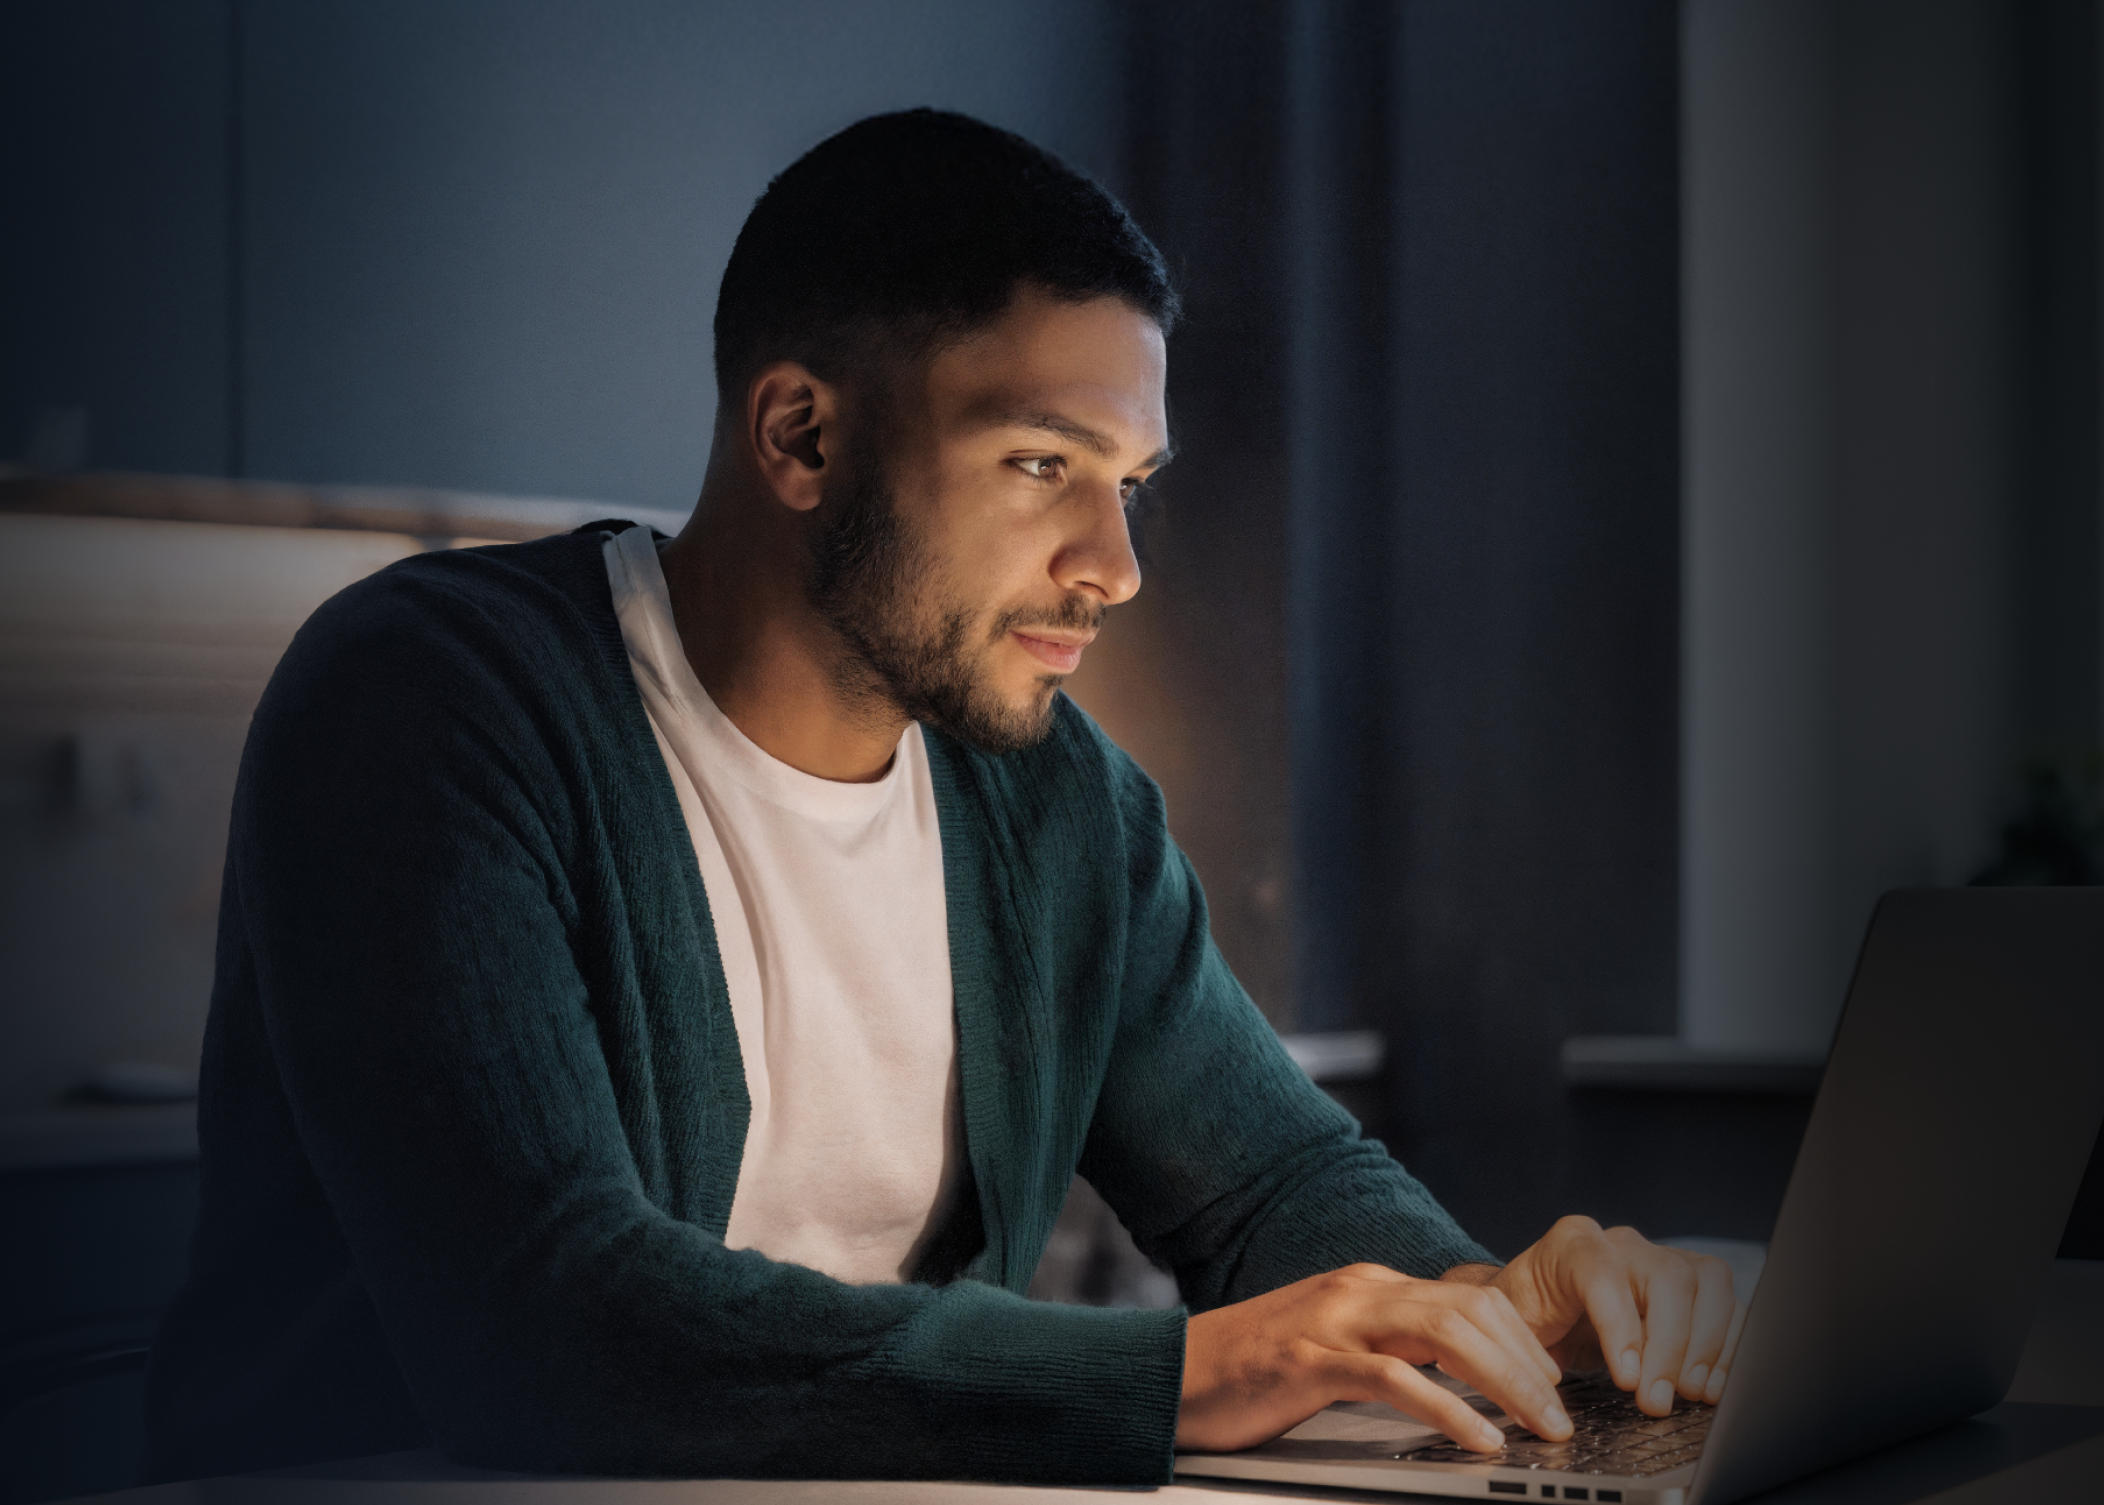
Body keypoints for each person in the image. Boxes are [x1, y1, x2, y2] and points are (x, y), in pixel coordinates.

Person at [143, 109, 1734, 1487]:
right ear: (802, 434)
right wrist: (1180, 1376)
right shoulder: (431, 700)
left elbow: (1278, 1185)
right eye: (1044, 464)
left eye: (1134, 485)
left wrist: (1506, 1310)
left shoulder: (1058, 809)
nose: (1112, 566)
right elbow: (550, 1324)